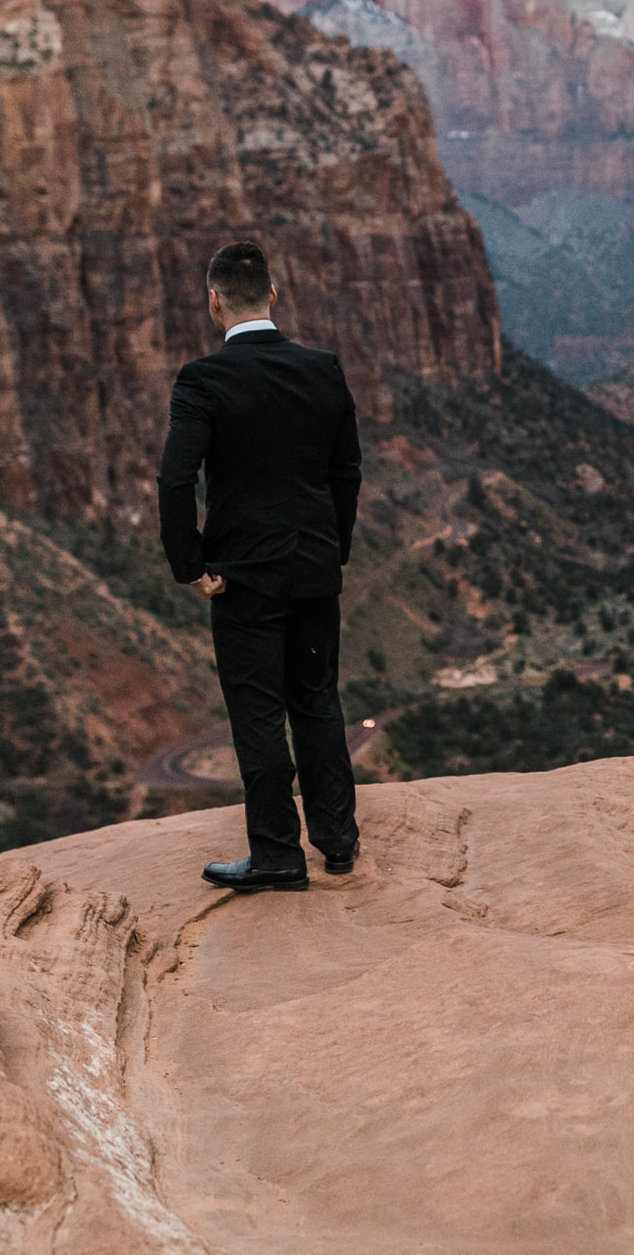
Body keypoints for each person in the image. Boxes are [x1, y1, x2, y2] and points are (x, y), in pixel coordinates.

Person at [159, 241, 364, 892]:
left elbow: (175, 479)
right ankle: (337, 842)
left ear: (213, 301)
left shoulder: (203, 380)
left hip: (243, 574)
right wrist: (337, 547)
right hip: (312, 564)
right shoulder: (323, 368)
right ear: (273, 296)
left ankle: (277, 854)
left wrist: (188, 563)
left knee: (257, 712)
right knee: (317, 702)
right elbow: (347, 471)